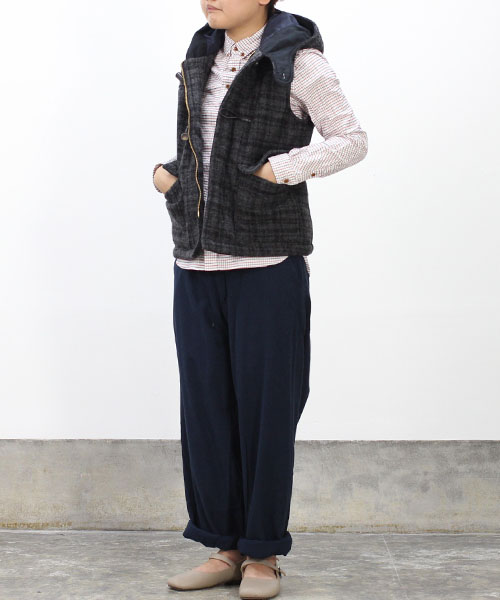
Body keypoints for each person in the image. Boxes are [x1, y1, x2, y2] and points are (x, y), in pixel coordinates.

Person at [153, 1, 368, 597]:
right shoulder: (200, 55)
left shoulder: (298, 60)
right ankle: (223, 546)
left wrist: (280, 169)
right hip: (196, 261)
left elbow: (351, 140)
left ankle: (263, 554)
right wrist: (169, 177)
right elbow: (205, 146)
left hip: (268, 264)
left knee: (266, 413)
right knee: (206, 411)